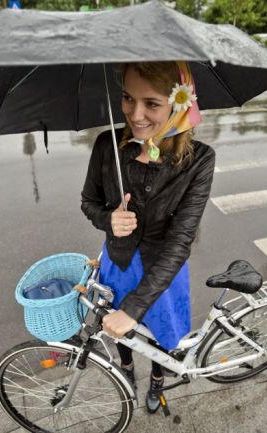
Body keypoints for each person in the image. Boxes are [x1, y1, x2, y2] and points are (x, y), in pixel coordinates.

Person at [81, 61, 215, 413]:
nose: (135, 114)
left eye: (151, 103)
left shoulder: (199, 160)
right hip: (119, 263)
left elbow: (180, 241)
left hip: (162, 274)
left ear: (180, 103)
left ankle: (157, 378)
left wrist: (134, 308)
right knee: (118, 330)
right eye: (127, 98)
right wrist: (108, 219)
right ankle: (127, 371)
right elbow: (88, 202)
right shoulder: (107, 145)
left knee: (158, 336)